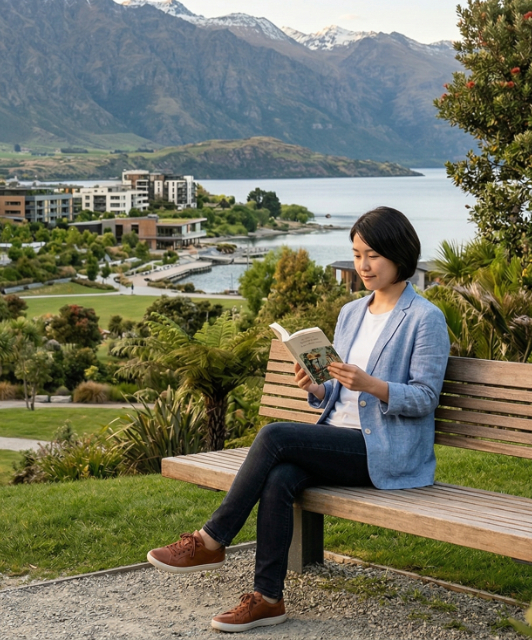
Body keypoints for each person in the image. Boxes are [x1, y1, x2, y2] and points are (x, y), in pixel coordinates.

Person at [146, 206, 451, 633]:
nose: (363, 265)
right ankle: (268, 598)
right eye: (357, 253)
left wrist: (373, 385)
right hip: (340, 440)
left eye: (373, 255)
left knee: (274, 436)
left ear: (399, 254)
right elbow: (336, 393)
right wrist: (316, 388)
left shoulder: (424, 318)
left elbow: (424, 398)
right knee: (280, 476)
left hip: (385, 449)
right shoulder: (351, 313)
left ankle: (210, 540)